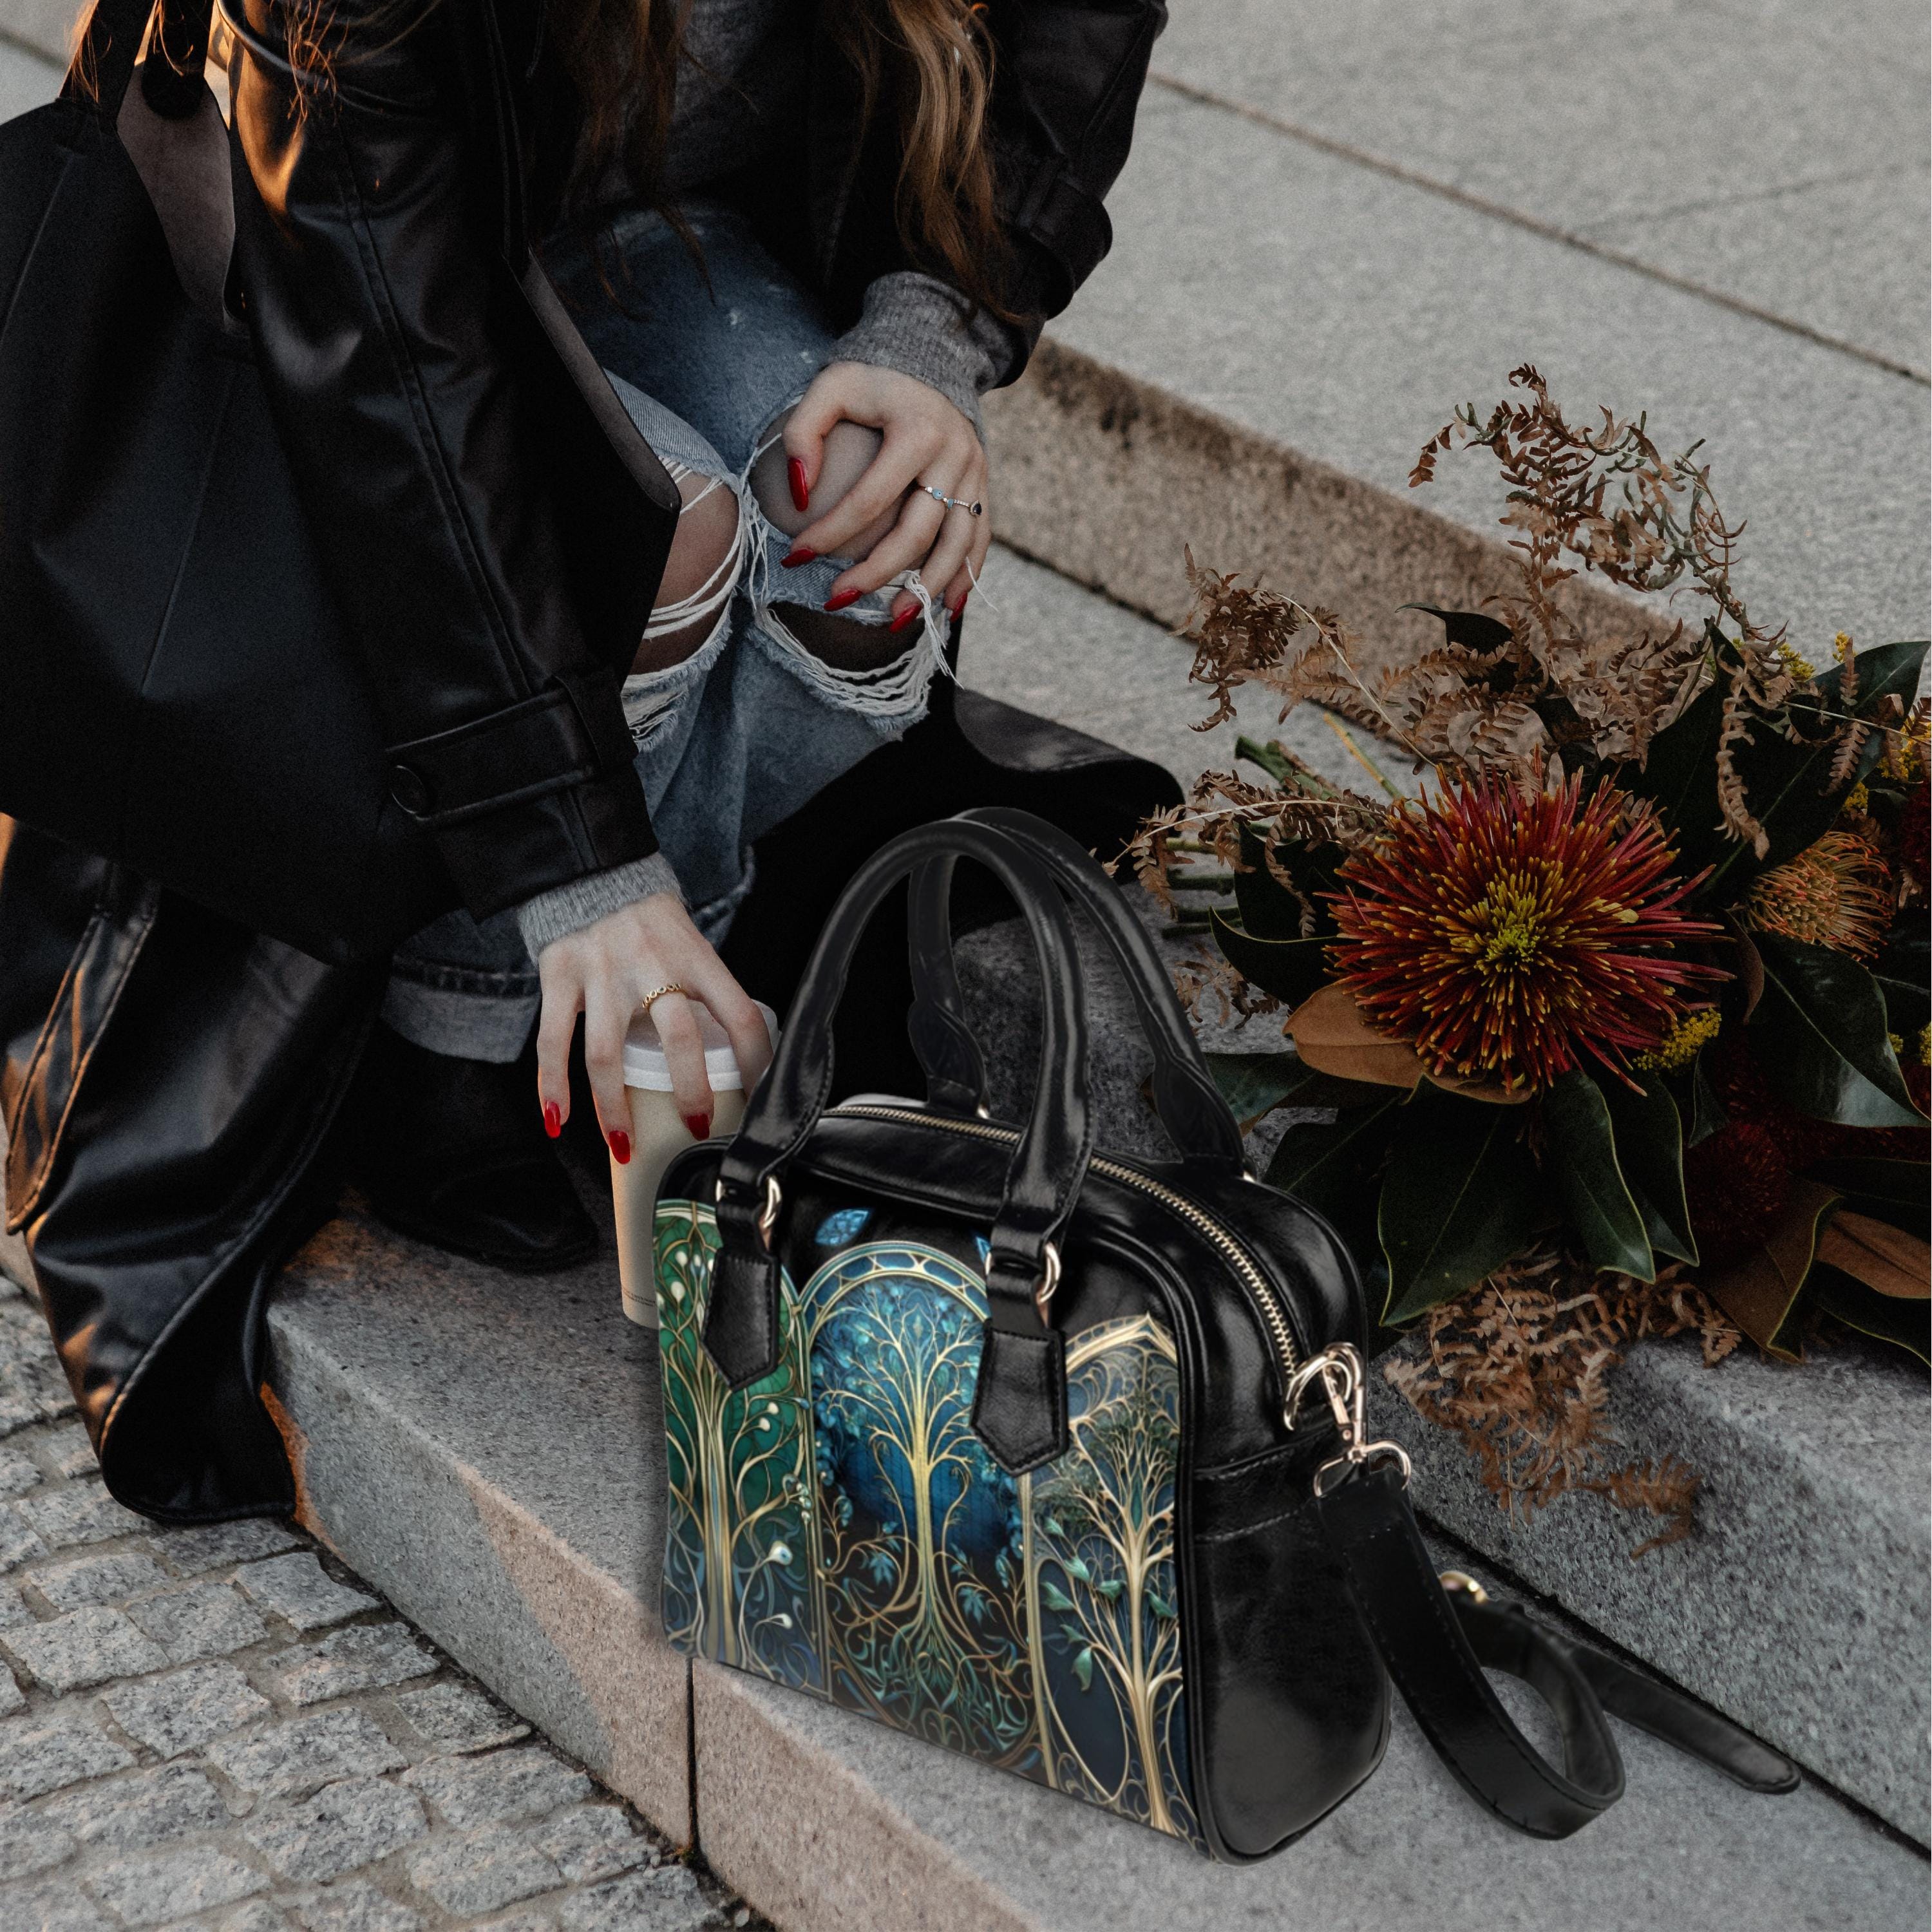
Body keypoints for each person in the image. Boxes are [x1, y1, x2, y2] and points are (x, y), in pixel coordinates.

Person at [220, 0, 1170, 1270]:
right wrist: (579, 872)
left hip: (679, 217)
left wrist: (935, 329)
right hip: (366, 275)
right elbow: (395, 387)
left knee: (857, 515)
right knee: (655, 538)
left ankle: (679, 995)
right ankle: (453, 1032)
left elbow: (1077, 28)